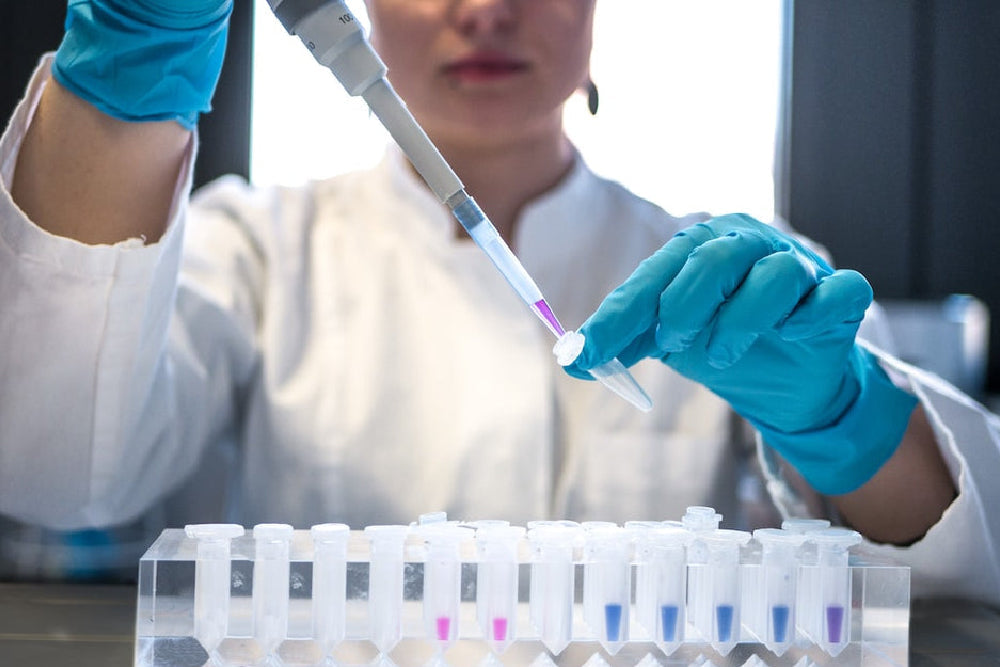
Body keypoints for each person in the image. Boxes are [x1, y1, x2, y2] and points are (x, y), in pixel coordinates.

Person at [0, 0, 996, 604]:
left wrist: (843, 418)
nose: (484, 9)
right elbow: (54, 475)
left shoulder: (721, 275)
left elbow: (952, 575)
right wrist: (121, 90)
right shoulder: (256, 246)